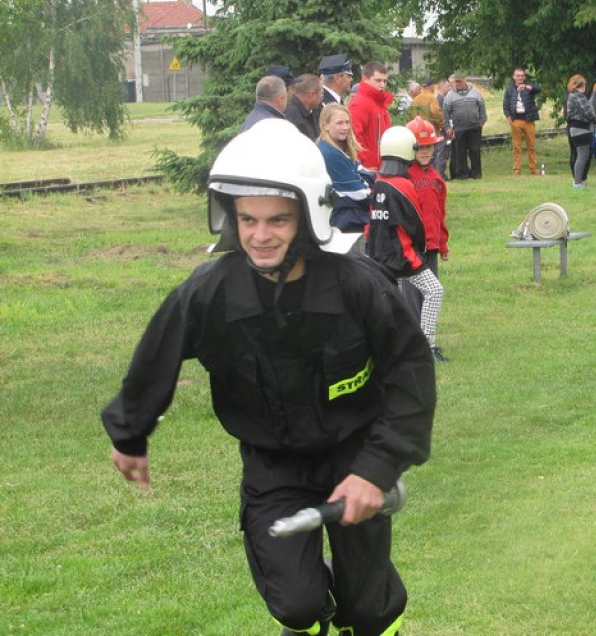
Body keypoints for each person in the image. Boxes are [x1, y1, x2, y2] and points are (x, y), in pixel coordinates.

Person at [101, 120, 436, 636]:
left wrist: (378, 467)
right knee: (296, 605)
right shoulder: (210, 292)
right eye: (248, 220)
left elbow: (410, 376)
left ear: (306, 217)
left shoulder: (359, 286)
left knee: (369, 608)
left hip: (355, 450)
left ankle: (363, 607)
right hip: (273, 464)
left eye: (278, 220)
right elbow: (156, 357)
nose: (260, 235)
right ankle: (311, 610)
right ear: (230, 218)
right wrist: (130, 433)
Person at [367, 127, 446, 362]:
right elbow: (415, 224)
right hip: (403, 255)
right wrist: (420, 250)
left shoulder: (379, 182)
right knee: (434, 291)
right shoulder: (404, 185)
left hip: (378, 254)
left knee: (387, 301)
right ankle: (427, 346)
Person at [403, 117, 450, 349]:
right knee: (414, 296)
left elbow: (439, 213)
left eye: (429, 147)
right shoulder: (405, 176)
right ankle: (415, 342)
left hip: (431, 246)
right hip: (412, 248)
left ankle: (427, 340)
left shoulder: (435, 176)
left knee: (432, 295)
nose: (425, 151)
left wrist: (442, 243)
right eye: (420, 147)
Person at [316, 103, 374, 242]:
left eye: (347, 122)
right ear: (325, 126)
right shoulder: (329, 153)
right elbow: (360, 193)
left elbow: (361, 170)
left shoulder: (339, 148)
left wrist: (364, 178)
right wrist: (371, 188)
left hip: (347, 219)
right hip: (343, 223)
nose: (345, 127)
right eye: (339, 123)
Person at [349, 61, 394, 172]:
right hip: (370, 169)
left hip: (380, 167)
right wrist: (364, 167)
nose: (382, 85)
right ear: (365, 78)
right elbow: (354, 138)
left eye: (385, 81)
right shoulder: (360, 103)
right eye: (378, 80)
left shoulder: (379, 102)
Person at [443, 73, 487, 180]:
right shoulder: (450, 96)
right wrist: (448, 127)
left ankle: (476, 174)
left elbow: (482, 106)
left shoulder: (475, 93)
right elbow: (445, 112)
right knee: (460, 153)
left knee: (475, 151)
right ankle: (462, 175)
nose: (458, 84)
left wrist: (482, 121)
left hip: (474, 127)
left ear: (465, 80)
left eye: (460, 81)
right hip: (459, 128)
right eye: (456, 82)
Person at [502, 68, 543, 175]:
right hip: (516, 120)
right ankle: (517, 169)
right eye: (518, 75)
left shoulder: (529, 86)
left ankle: (533, 169)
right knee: (517, 146)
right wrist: (508, 115)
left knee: (531, 146)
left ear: (524, 77)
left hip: (528, 120)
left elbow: (538, 89)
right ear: (514, 77)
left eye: (522, 76)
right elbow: (505, 103)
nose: (520, 77)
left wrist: (525, 87)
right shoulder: (510, 89)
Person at [565, 74, 596, 188]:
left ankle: (579, 181)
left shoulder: (571, 95)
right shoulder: (578, 96)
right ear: (582, 85)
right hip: (581, 129)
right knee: (582, 156)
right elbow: (588, 111)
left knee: (582, 155)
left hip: (577, 129)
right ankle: (578, 182)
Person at [283, 73, 323, 141]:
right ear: (312, 95)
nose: (322, 97)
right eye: (321, 93)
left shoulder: (313, 111)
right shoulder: (291, 115)